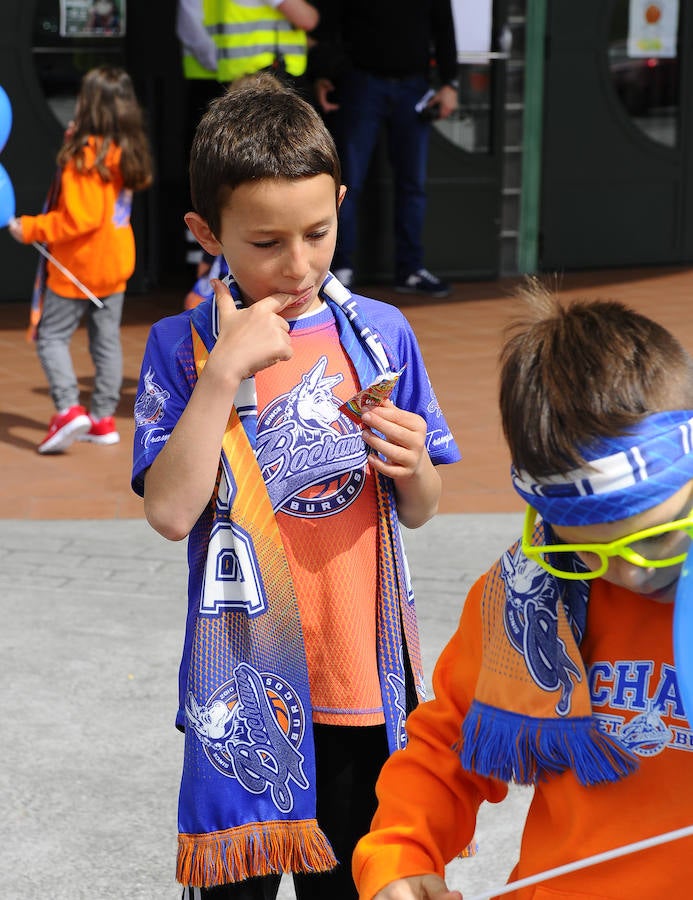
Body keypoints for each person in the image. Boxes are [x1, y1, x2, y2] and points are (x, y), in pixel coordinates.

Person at [131, 72, 461, 899]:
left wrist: (412, 465)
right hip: (244, 691)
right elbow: (171, 513)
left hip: (359, 683)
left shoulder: (379, 334)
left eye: (317, 232)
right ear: (206, 231)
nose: (298, 263)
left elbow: (421, 511)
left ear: (342, 201)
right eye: (265, 242)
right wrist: (222, 376)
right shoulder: (181, 345)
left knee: (353, 883)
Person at [353, 279, 693, 899]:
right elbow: (447, 742)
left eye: (656, 539)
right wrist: (402, 851)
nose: (627, 571)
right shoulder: (526, 594)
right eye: (586, 547)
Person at [8, 65, 153, 454]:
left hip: (78, 269)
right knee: (105, 342)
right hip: (115, 264)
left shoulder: (86, 155)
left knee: (51, 336)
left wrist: (32, 228)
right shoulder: (127, 149)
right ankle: (103, 419)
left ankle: (69, 409)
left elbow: (79, 218)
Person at [309, 0, 459, 297]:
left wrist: (450, 83)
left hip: (414, 88)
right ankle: (339, 270)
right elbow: (328, 27)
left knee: (412, 184)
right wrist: (324, 74)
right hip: (362, 85)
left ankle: (411, 269)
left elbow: (444, 28)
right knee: (346, 185)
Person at [176, 0, 320, 265]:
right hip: (244, 84)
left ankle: (213, 262)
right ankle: (211, 263)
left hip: (249, 81)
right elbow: (308, 18)